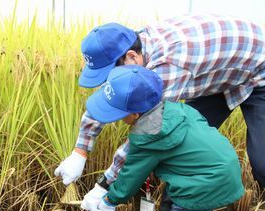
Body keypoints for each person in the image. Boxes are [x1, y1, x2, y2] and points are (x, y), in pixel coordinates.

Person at [54, 14, 265, 194]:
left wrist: (105, 184)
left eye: (109, 74)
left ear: (132, 57)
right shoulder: (131, 47)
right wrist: (79, 152)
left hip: (257, 70)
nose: (108, 81)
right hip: (219, 74)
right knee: (180, 151)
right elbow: (109, 95)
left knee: (262, 163)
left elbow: (146, 133)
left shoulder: (166, 69)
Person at [81, 64, 244, 211]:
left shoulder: (148, 134)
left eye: (120, 114)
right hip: (221, 169)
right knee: (168, 206)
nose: (118, 119)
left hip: (207, 181)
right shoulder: (175, 109)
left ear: (135, 114)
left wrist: (110, 200)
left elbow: (130, 177)